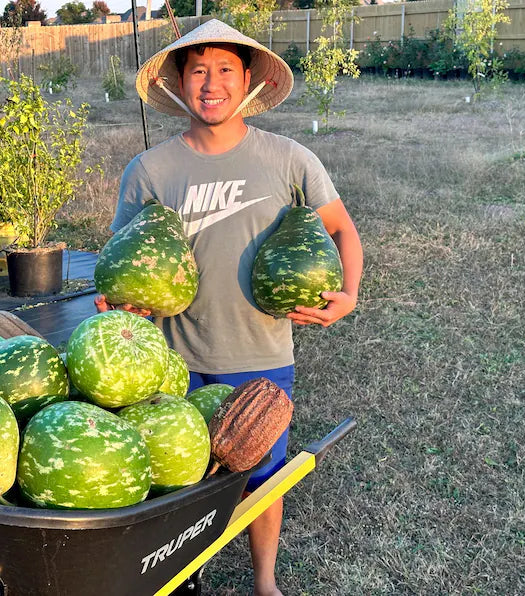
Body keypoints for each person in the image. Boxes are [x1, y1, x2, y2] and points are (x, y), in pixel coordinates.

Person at [95, 19, 363, 596]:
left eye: (223, 70)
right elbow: (120, 262)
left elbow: (342, 230)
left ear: (249, 80)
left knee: (262, 480)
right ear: (178, 83)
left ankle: (264, 581)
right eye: (197, 71)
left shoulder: (289, 160)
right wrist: (120, 305)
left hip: (261, 352)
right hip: (169, 360)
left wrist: (350, 294)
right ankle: (179, 574)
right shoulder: (149, 172)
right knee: (174, 477)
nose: (210, 84)